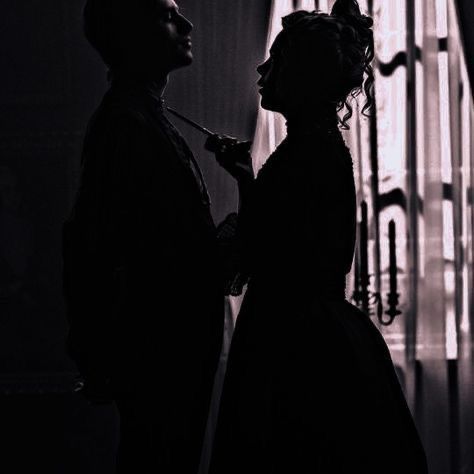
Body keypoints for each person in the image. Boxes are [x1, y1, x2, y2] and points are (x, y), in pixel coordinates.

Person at [207, 1, 429, 473]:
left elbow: (275, 250)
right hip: (299, 325)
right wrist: (247, 178)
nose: (263, 69)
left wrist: (246, 187)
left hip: (295, 337)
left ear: (303, 76)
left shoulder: (310, 149)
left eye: (278, 60)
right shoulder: (311, 143)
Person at [62, 1, 224, 472]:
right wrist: (94, 350)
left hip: (167, 346)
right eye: (166, 15)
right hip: (159, 349)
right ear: (131, 34)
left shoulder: (142, 117)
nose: (187, 24)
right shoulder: (126, 125)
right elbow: (91, 245)